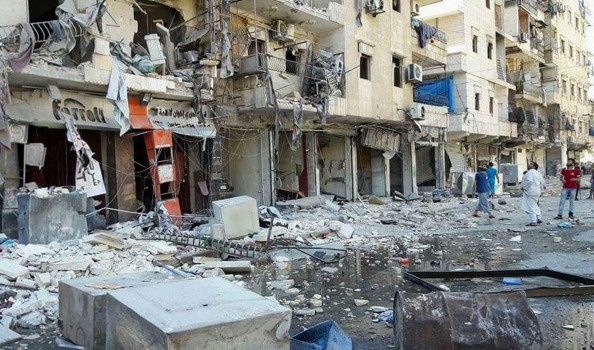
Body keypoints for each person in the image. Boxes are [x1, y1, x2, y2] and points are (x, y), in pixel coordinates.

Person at [521, 162, 545, 226]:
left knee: (530, 206)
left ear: (534, 166)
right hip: (537, 191)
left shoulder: (530, 173)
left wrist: (524, 187)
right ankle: (538, 217)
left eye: (531, 164)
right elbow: (542, 182)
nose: (529, 164)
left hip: (530, 191)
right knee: (534, 205)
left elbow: (529, 181)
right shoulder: (538, 173)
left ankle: (533, 221)